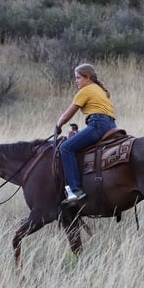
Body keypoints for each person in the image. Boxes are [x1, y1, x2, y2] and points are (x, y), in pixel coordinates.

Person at [55, 63, 117, 206]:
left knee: (66, 148)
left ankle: (75, 191)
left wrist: (58, 125)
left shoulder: (86, 90)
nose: (76, 81)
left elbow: (67, 116)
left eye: (78, 78)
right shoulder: (100, 90)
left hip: (97, 124)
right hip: (111, 125)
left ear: (87, 78)